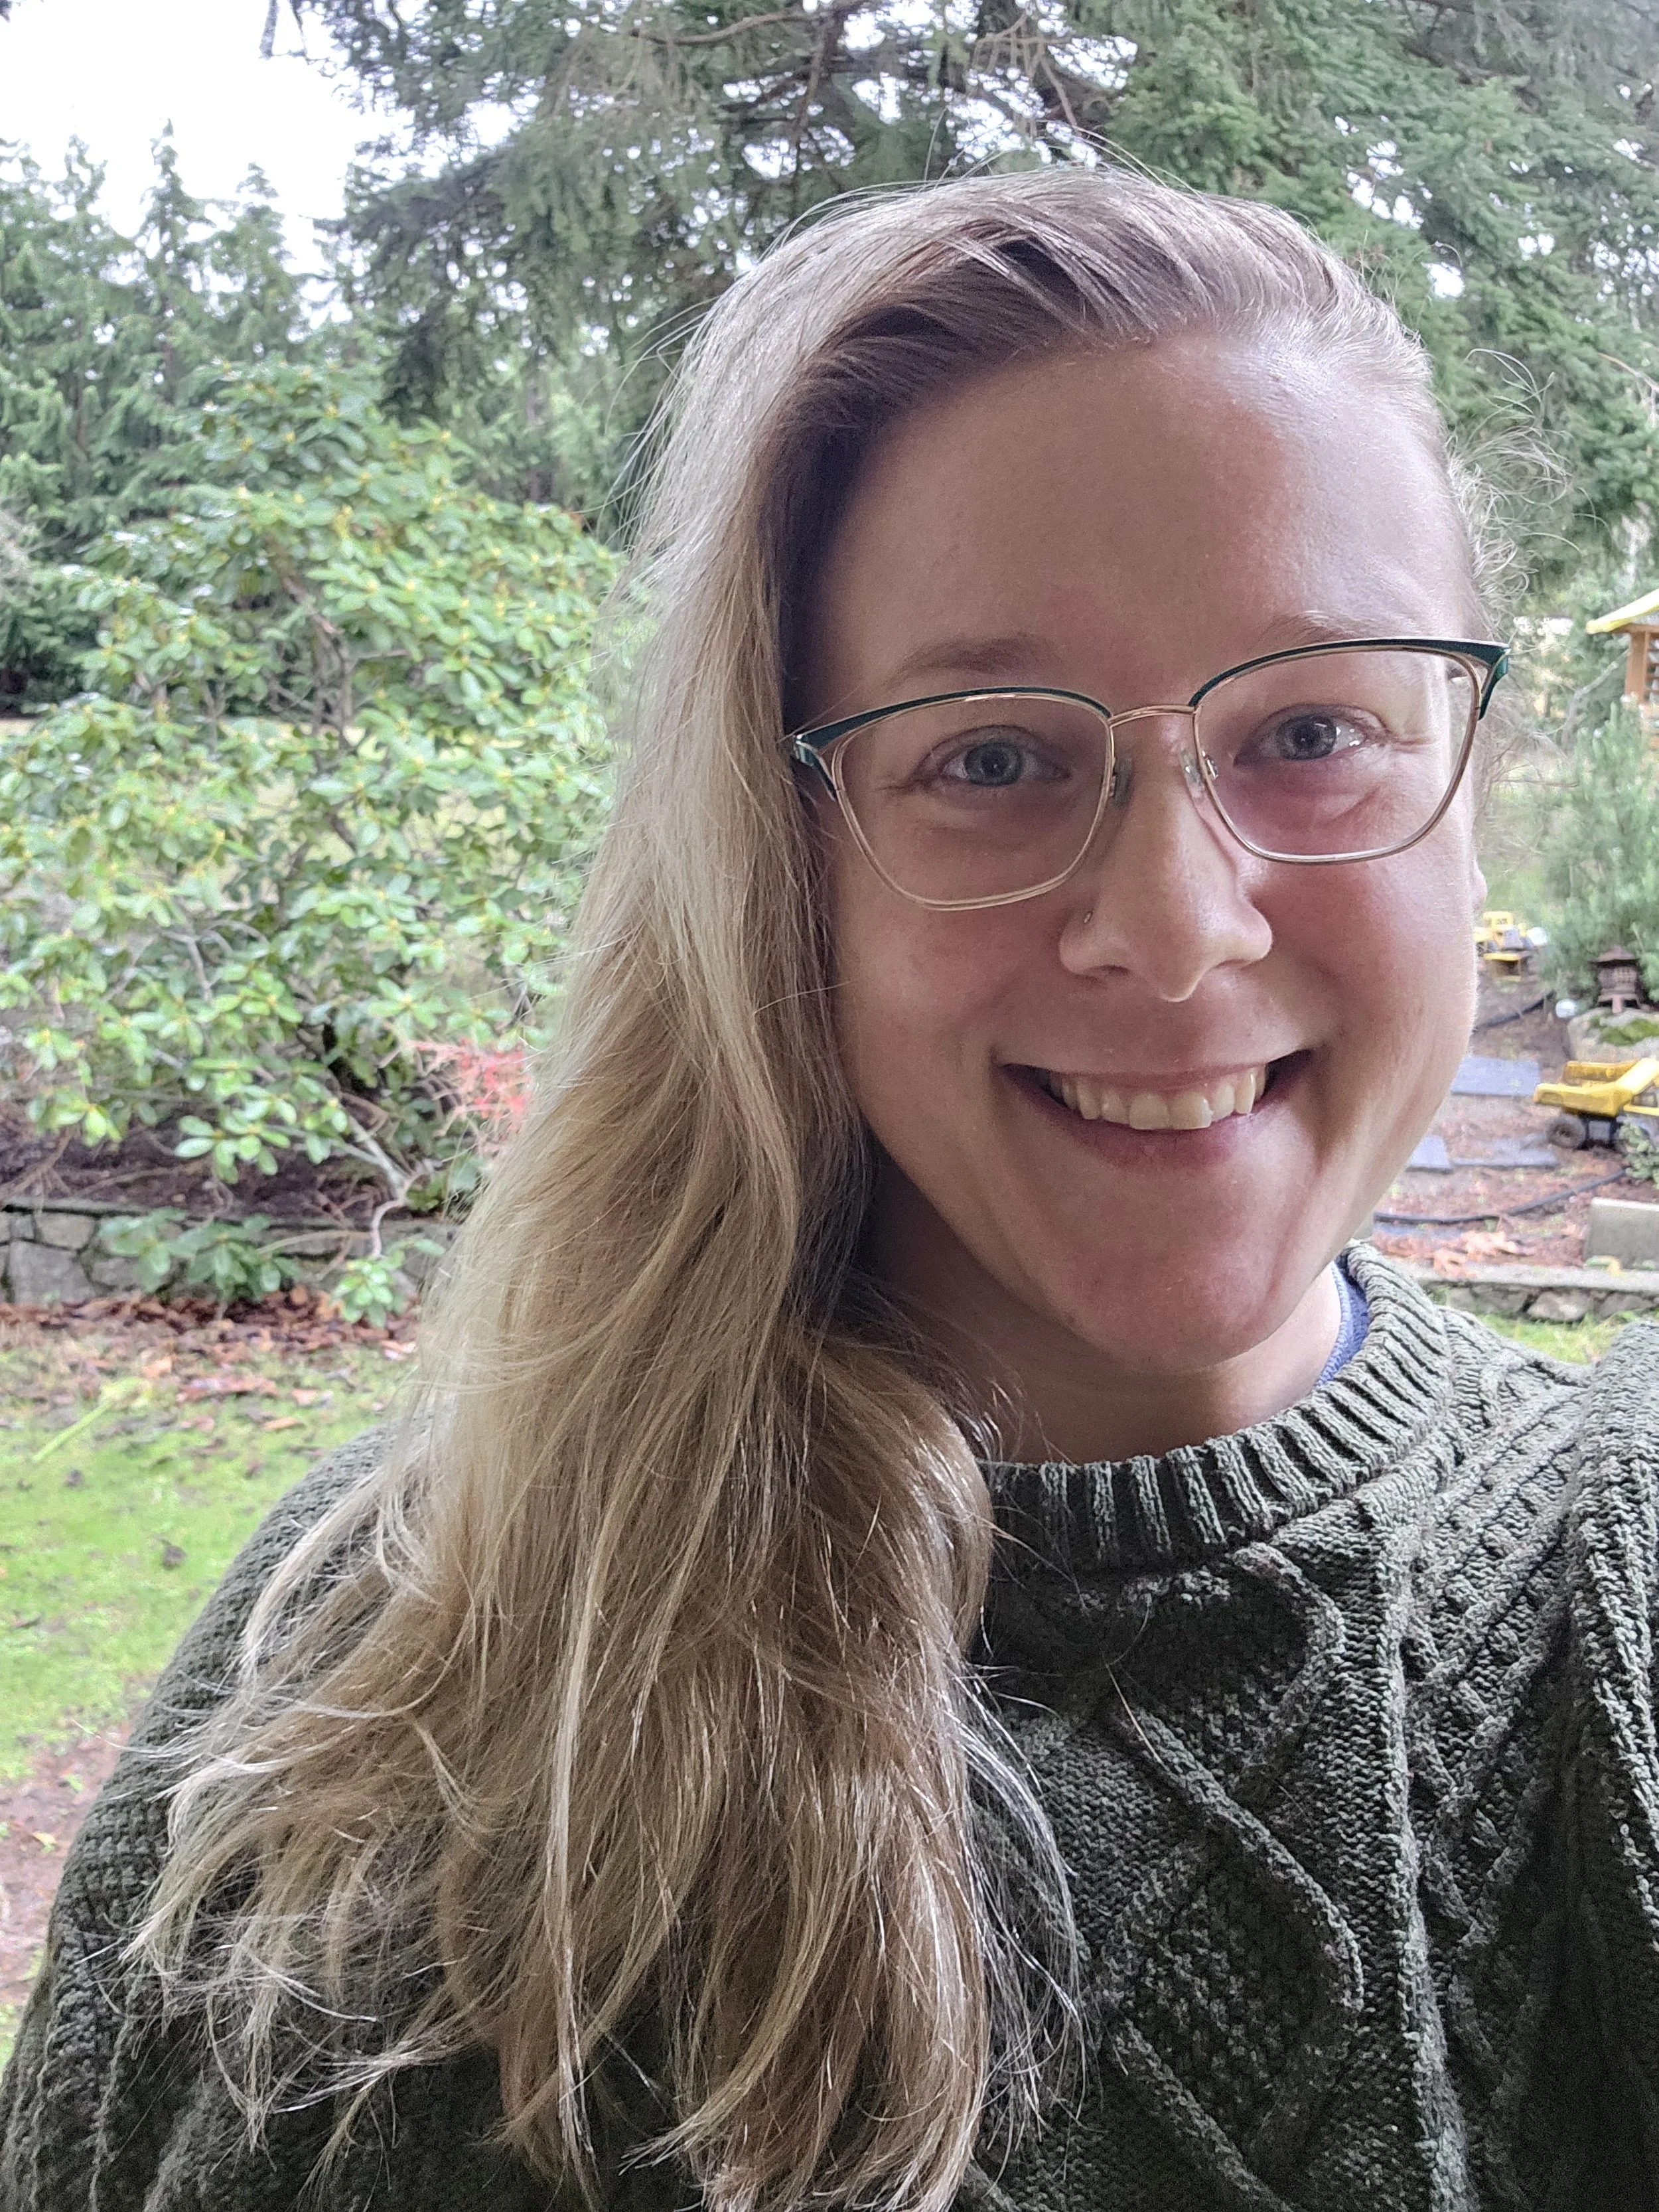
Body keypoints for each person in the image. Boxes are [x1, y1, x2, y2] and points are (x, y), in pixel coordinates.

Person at [3, 167, 1658, 2212]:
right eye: (987, 756)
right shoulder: (379, 1675)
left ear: (1469, 798)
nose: (1171, 926)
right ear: (781, 861)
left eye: (1313, 727)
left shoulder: (1627, 1596)